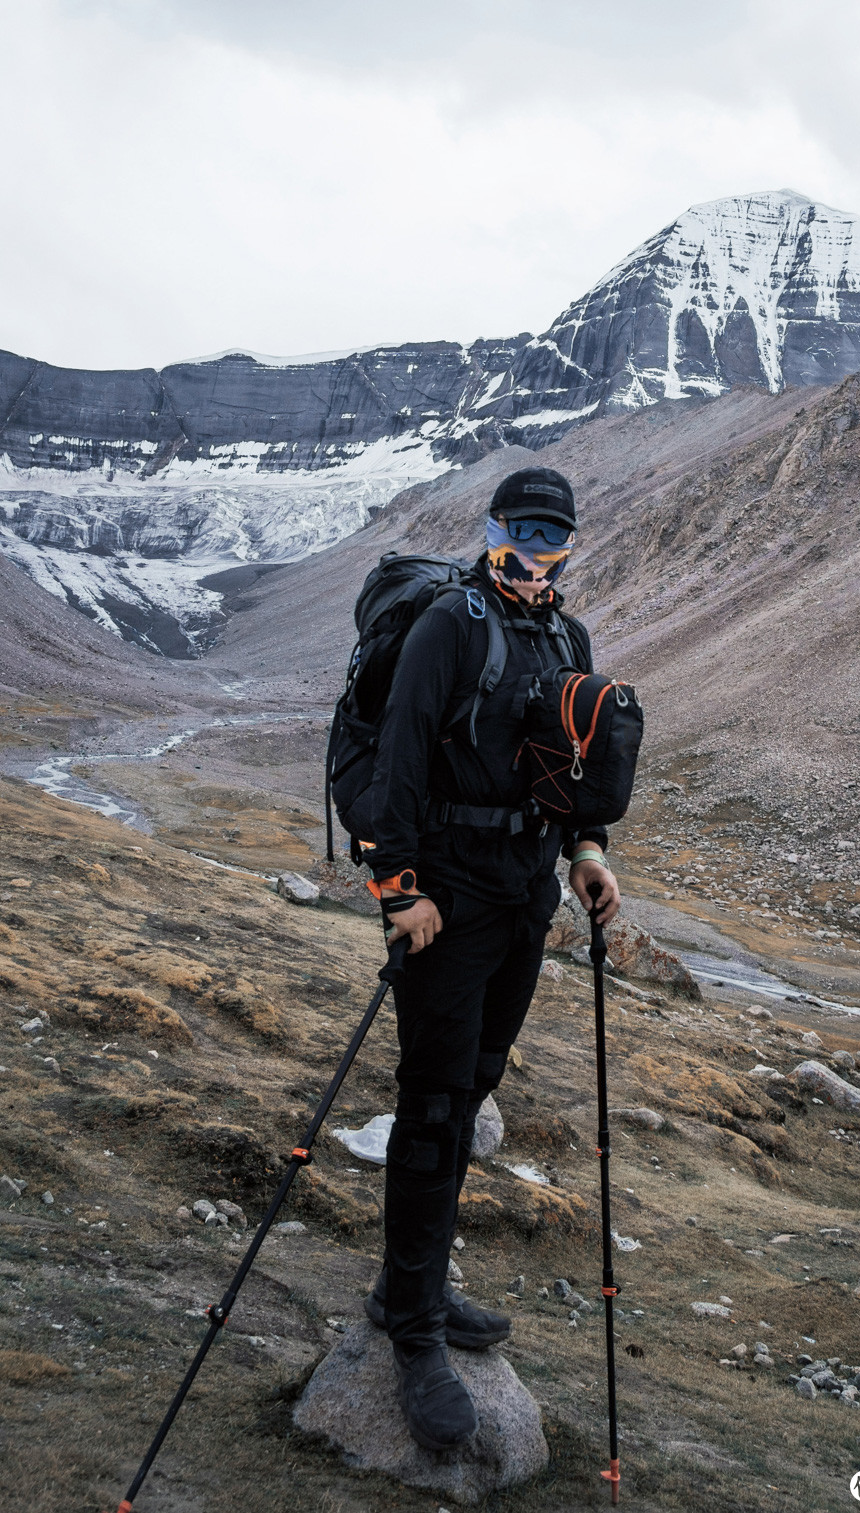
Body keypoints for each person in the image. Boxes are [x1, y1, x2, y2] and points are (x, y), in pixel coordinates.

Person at [358, 465, 621, 1450]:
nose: (533, 554)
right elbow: (396, 758)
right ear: (491, 527)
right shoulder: (450, 625)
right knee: (430, 1108)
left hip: (526, 894)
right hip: (444, 900)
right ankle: (415, 1332)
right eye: (519, 533)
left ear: (567, 541)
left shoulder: (568, 635)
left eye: (551, 537)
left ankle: (405, 1284)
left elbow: (576, 763)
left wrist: (588, 855)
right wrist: (399, 891)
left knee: (472, 1089)